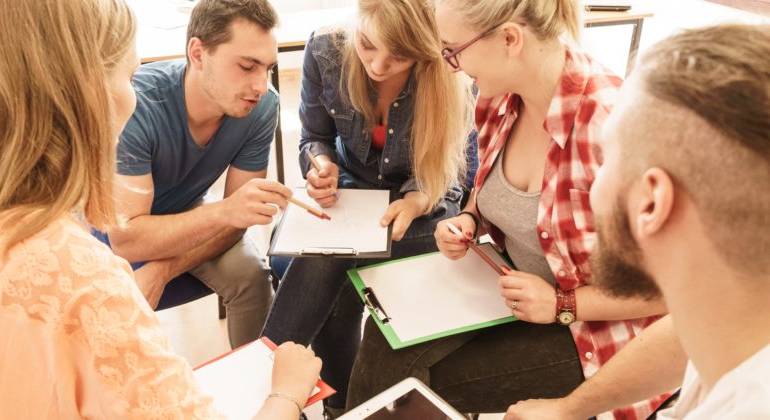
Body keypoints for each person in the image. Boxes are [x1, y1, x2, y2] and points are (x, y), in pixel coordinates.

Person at [0, 0, 319, 418]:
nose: (132, 92)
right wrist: (286, 392)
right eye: (128, 74)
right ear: (88, 94)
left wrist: (173, 259)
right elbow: (130, 240)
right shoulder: (88, 282)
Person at [347, 1, 670, 418]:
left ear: (510, 39)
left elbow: (666, 292)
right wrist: (468, 219)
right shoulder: (497, 98)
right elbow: (491, 193)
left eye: (453, 50)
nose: (450, 66)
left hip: (591, 331)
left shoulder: (609, 126)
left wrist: (560, 304)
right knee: (384, 330)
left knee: (415, 381)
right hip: (514, 291)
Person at [506, 23, 770, 419]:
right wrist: (569, 409)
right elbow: (681, 336)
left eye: (609, 159)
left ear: (650, 203)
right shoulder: (734, 305)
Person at [260, 0, 473, 416]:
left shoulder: (449, 70)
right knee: (331, 264)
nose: (377, 65)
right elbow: (313, 138)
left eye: (399, 57)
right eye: (368, 45)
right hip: (352, 198)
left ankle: (275, 387)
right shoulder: (325, 49)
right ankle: (341, 404)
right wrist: (321, 166)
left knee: (327, 261)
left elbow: (453, 174)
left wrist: (415, 200)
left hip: (424, 213)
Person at [105, 0, 290, 348]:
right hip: (110, 222)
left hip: (187, 210)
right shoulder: (137, 105)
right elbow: (127, 241)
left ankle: (254, 392)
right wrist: (225, 211)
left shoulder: (262, 106)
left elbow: (238, 221)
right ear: (198, 53)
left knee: (251, 275)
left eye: (267, 68)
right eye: (248, 66)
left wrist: (165, 268)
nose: (261, 85)